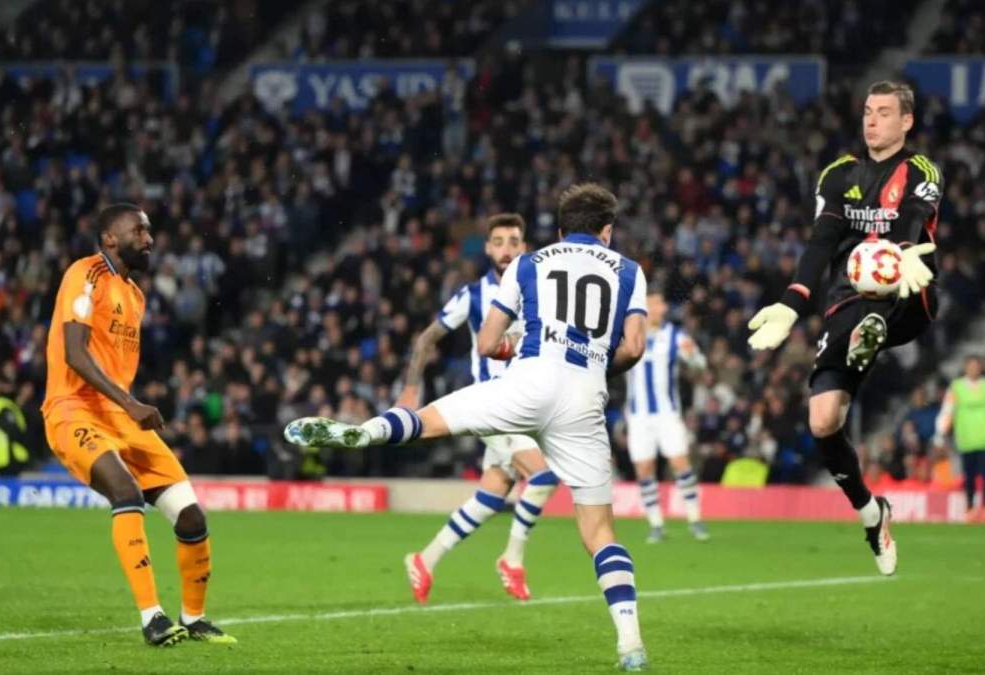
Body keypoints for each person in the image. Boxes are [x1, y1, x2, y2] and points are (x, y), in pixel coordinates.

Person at [286, 183, 651, 670]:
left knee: (431, 421)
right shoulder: (630, 270)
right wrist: (596, 361)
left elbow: (486, 342)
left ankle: (367, 431)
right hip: (584, 399)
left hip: (525, 384)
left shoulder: (529, 263)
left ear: (559, 230)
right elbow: (634, 348)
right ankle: (630, 644)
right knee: (600, 531)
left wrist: (516, 346)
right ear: (607, 231)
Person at [745, 80, 945, 575]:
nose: (872, 120)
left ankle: (871, 331)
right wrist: (792, 304)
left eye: (883, 112)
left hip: (906, 285)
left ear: (906, 121)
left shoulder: (920, 171)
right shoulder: (839, 174)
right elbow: (820, 243)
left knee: (880, 298)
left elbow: (912, 222)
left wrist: (896, 259)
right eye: (867, 111)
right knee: (822, 421)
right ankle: (871, 512)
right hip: (846, 300)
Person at [42, 204, 234, 646]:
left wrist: (127, 407)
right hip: (73, 409)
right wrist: (131, 403)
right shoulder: (85, 275)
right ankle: (152, 618)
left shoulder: (136, 295)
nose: (149, 238)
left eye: (150, 231)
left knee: (190, 516)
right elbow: (74, 353)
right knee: (125, 492)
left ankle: (195, 619)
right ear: (109, 238)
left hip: (120, 416)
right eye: (139, 230)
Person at [393, 213, 560, 603]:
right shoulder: (472, 296)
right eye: (498, 241)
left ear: (524, 248)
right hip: (497, 404)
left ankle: (424, 559)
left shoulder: (537, 292)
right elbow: (427, 337)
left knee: (493, 493)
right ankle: (512, 559)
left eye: (513, 242)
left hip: (529, 402)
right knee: (544, 476)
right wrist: (411, 389)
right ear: (487, 248)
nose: (505, 249)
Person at [625, 290, 710, 543]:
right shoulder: (629, 334)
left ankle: (695, 519)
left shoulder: (674, 336)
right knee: (644, 469)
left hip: (667, 414)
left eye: (659, 303)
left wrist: (693, 355)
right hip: (638, 416)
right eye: (652, 303)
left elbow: (700, 365)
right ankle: (656, 524)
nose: (657, 308)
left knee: (680, 463)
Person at [934, 356, 985, 521]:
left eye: (976, 366)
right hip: (966, 439)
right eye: (970, 366)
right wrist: (940, 433)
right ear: (965, 368)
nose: (973, 369)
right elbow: (947, 410)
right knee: (969, 475)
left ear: (980, 368)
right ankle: (970, 508)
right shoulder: (956, 387)